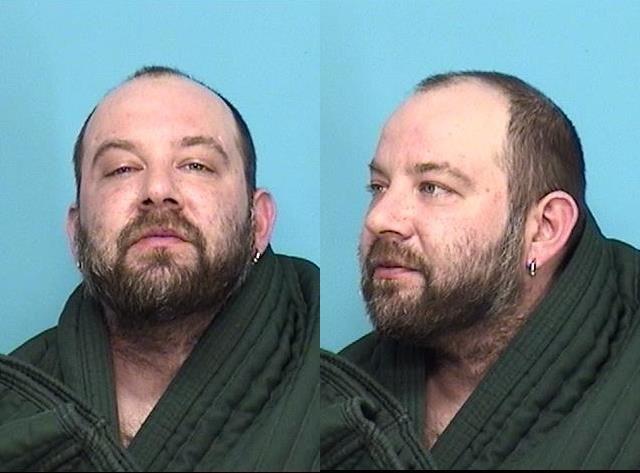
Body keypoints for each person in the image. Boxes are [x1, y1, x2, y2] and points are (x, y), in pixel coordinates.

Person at [0, 66, 319, 471]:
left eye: (196, 165)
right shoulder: (15, 405)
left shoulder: (326, 380)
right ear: (76, 232)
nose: (157, 191)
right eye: (122, 169)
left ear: (258, 222)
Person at [321, 71, 640, 469]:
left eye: (433, 187)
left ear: (544, 228)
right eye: (378, 187)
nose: (380, 218)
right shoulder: (340, 393)